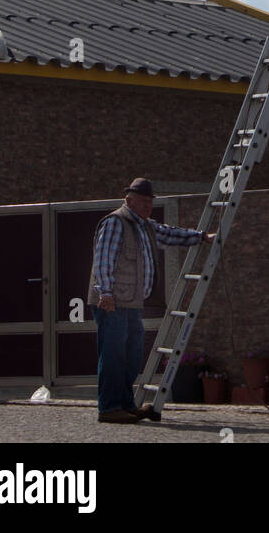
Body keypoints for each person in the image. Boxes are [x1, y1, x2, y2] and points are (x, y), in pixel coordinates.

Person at [86, 177, 215, 424]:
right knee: (113, 355)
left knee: (131, 355)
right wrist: (105, 293)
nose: (147, 205)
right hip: (112, 302)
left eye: (150, 201)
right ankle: (109, 408)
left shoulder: (145, 225)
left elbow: (169, 234)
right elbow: (103, 259)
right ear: (128, 200)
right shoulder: (116, 222)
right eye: (143, 201)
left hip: (131, 303)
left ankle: (125, 405)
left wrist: (201, 237)